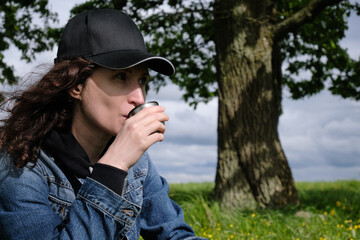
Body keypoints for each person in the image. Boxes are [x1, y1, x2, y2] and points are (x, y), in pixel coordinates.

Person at [0, 9, 206, 240]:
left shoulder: (138, 164)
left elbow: (174, 234)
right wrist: (113, 167)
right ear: (76, 85)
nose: (139, 98)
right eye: (121, 77)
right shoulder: (22, 167)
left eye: (143, 80)